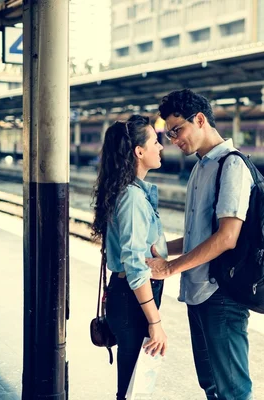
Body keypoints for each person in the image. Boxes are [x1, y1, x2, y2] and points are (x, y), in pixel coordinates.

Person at [146, 89, 254, 400]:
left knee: (233, 390)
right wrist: (163, 249)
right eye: (167, 133)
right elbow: (198, 236)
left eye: (177, 130)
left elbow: (227, 236)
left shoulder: (231, 166)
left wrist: (170, 267)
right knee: (212, 385)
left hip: (221, 293)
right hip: (199, 292)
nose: (173, 139)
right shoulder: (201, 166)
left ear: (200, 119)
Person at [91, 115, 169, 400]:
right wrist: (155, 322)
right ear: (139, 151)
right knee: (133, 387)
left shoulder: (128, 192)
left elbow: (147, 247)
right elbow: (136, 266)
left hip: (126, 297)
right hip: (133, 299)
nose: (160, 147)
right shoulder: (134, 199)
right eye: (155, 142)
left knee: (132, 383)